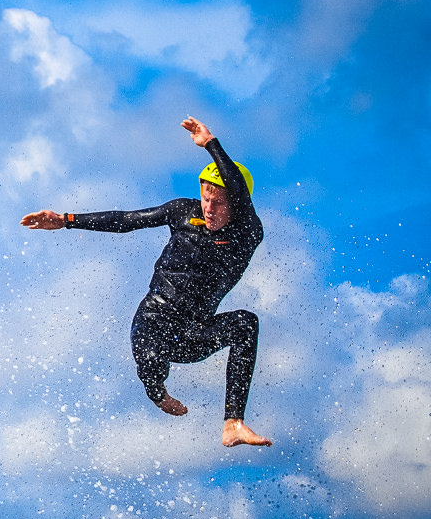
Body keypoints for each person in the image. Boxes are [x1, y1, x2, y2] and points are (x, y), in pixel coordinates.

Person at [20, 117, 271, 447]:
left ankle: (233, 423)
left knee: (246, 323)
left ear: (237, 204)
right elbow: (125, 220)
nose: (209, 208)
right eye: (206, 198)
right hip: (154, 319)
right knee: (150, 362)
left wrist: (211, 144)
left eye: (219, 202)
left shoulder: (247, 232)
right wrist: (65, 220)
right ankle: (158, 393)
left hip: (193, 332)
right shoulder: (183, 211)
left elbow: (237, 187)